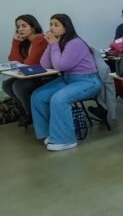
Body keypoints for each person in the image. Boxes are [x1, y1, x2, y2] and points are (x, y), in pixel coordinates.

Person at [31, 14, 102, 151]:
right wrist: (51, 45)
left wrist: (54, 45)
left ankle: (66, 140)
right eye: (51, 24)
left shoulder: (75, 43)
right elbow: (45, 64)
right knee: (38, 96)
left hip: (87, 81)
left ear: (66, 27)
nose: (52, 28)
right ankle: (50, 133)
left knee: (59, 99)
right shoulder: (59, 41)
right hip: (68, 79)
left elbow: (60, 66)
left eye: (56, 25)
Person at [3, 15, 49, 126]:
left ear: (33, 28)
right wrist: (15, 42)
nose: (20, 29)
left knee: (18, 86)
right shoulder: (26, 42)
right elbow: (14, 61)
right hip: (31, 74)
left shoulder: (40, 39)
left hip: (46, 75)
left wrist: (22, 65)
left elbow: (30, 63)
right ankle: (28, 110)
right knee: (6, 85)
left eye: (24, 26)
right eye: (18, 27)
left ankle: (31, 115)